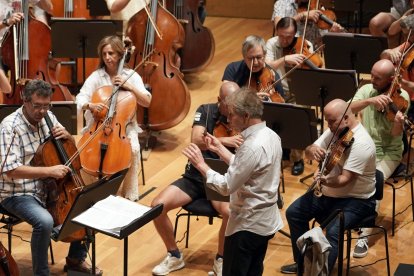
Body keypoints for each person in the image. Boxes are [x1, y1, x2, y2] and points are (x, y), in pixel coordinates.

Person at [0, 79, 101, 276]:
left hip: (47, 188)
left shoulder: (49, 117)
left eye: (47, 106)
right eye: (37, 106)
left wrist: (69, 137)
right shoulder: (9, 127)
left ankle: (75, 259)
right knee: (45, 221)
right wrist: (50, 171)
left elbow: (70, 151)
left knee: (88, 204)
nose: (42, 111)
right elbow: (9, 170)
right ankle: (41, 273)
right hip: (17, 192)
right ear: (25, 100)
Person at [182, 88, 284, 276]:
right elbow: (246, 169)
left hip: (248, 225)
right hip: (265, 222)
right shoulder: (271, 135)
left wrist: (201, 164)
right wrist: (220, 148)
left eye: (231, 115)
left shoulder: (252, 146)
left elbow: (226, 186)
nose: (228, 120)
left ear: (245, 116)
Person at [151, 81, 240, 276]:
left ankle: (221, 259)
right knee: (156, 206)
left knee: (229, 212)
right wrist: (226, 141)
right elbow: (197, 140)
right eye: (229, 104)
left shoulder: (242, 117)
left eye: (237, 103)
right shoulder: (206, 111)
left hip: (219, 179)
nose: (233, 109)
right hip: (194, 177)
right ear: (219, 101)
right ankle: (174, 255)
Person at [280, 99, 377, 274]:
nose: (328, 125)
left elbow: (345, 179)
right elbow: (310, 149)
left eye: (331, 121)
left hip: (356, 201)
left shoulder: (362, 143)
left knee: (333, 232)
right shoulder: (334, 130)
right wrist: (311, 151)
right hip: (329, 195)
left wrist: (323, 180)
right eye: (327, 120)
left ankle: (320, 273)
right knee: (294, 213)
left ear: (346, 118)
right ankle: (303, 264)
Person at [76, 35, 152, 201]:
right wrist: (90, 106)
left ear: (120, 54)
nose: (107, 57)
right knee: (83, 151)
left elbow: (147, 101)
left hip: (123, 127)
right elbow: (80, 98)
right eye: (104, 54)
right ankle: (90, 192)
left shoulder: (131, 75)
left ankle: (129, 195)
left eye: (111, 53)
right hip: (98, 124)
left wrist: (129, 86)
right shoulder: (97, 76)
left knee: (133, 149)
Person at [350, 59, 409, 258]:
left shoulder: (402, 98)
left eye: (378, 78)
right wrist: (369, 101)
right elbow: (349, 109)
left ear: (391, 79)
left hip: (389, 152)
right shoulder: (367, 90)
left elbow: (394, 135)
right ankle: (347, 216)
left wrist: (399, 124)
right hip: (365, 148)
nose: (372, 79)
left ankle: (364, 235)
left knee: (373, 180)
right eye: (372, 75)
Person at [265, 16, 316, 176]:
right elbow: (266, 65)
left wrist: (307, 61)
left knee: (298, 116)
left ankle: (297, 158)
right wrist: (285, 59)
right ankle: (275, 152)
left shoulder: (305, 44)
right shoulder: (272, 44)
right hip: (277, 91)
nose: (285, 40)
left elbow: (315, 68)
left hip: (298, 92)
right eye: (282, 36)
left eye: (289, 37)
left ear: (295, 34)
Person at [222, 34, 284, 102]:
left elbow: (280, 105)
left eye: (259, 57)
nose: (255, 62)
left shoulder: (273, 77)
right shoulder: (232, 69)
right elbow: (225, 96)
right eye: (251, 58)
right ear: (244, 57)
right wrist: (247, 99)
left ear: (265, 55)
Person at [380, 14, 414, 121]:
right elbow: (383, 57)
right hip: (400, 95)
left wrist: (404, 83)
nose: (406, 39)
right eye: (404, 35)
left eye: (409, 35)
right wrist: (389, 52)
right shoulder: (409, 44)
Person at [271, 0, 343, 47]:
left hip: (309, 53)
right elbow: (278, 26)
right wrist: (302, 15)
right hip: (286, 48)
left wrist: (331, 33)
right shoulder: (281, 3)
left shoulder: (317, 7)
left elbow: (320, 44)